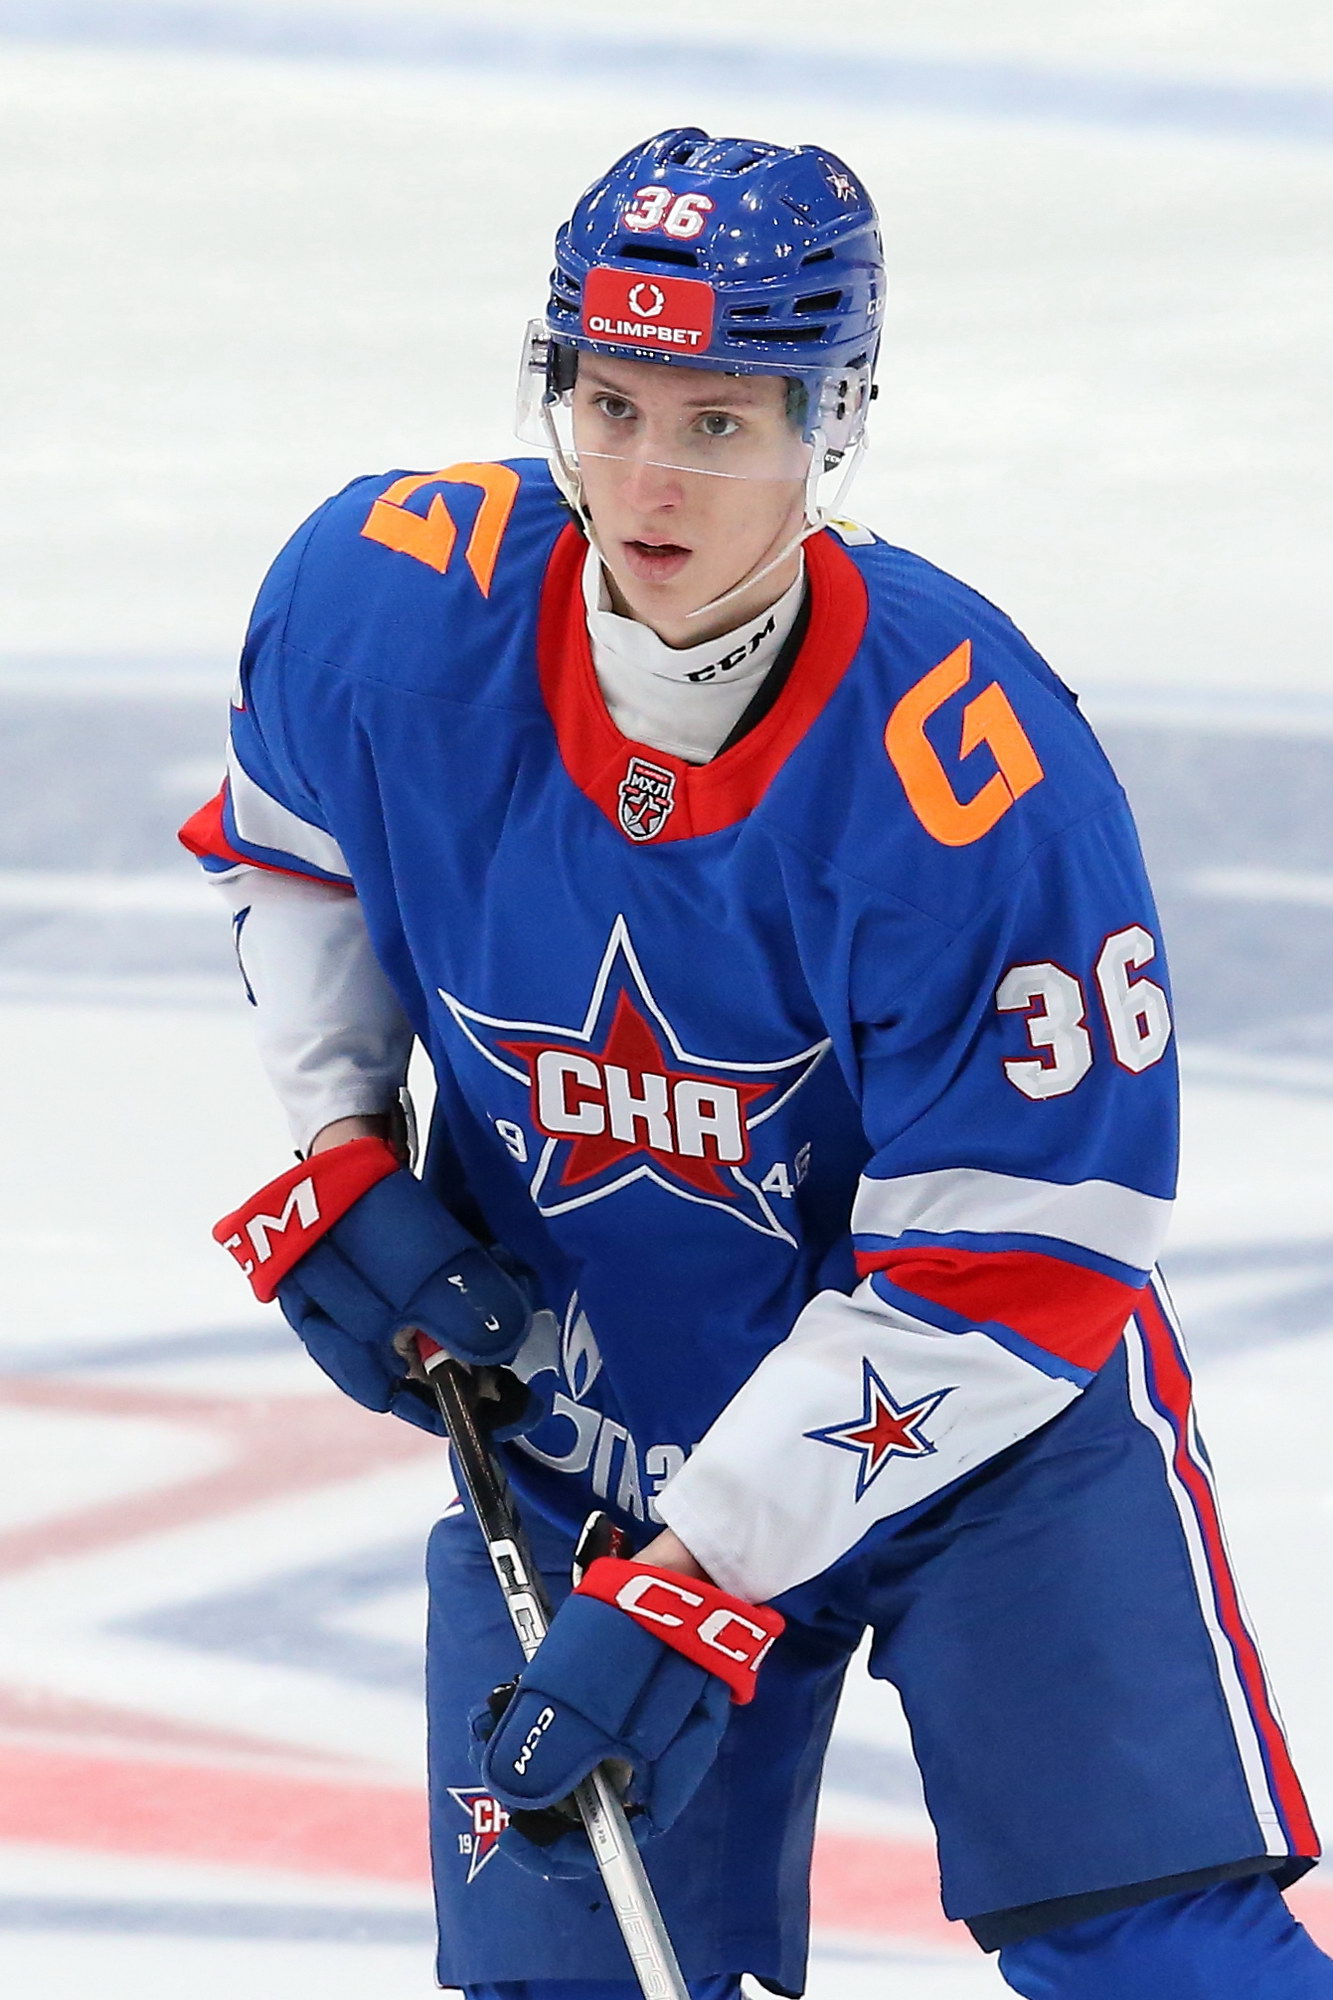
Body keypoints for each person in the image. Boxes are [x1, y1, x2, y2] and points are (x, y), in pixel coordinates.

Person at [183, 128, 1333, 1998]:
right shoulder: (383, 602)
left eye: (717, 422)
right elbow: (294, 847)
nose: (649, 480)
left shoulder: (965, 770)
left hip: (972, 1436)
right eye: (610, 404)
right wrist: (342, 1137)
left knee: (1153, 1955)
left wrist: (707, 1562)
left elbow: (1022, 1257)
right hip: (586, 1409)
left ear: (828, 421)